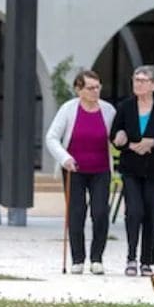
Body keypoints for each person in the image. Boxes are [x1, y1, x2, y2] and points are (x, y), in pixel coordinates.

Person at [45, 70, 116, 275]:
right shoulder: (68, 109)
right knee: (76, 212)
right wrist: (65, 158)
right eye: (90, 88)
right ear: (79, 90)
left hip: (101, 169)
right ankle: (77, 259)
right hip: (74, 169)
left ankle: (97, 258)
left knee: (100, 212)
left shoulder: (108, 110)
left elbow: (115, 135)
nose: (95, 91)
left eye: (98, 87)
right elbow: (52, 138)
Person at [110, 65, 154, 277]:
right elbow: (115, 134)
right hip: (131, 168)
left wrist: (153, 143)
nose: (138, 83)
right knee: (134, 212)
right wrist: (123, 142)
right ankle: (131, 258)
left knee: (152, 215)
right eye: (136, 79)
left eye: (143, 80)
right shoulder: (125, 107)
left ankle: (147, 261)